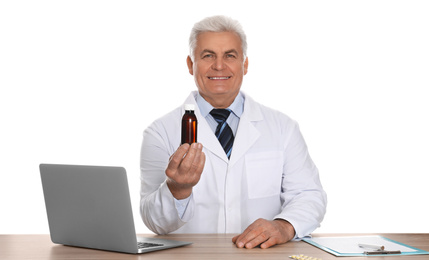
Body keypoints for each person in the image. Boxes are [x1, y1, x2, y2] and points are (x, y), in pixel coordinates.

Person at [140, 15, 327, 249]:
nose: (219, 66)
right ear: (190, 64)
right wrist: (177, 189)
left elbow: (309, 195)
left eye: (230, 55)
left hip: (262, 255)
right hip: (191, 256)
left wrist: (284, 225)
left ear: (245, 64)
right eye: (208, 55)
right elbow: (153, 222)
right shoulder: (159, 132)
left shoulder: (283, 127)